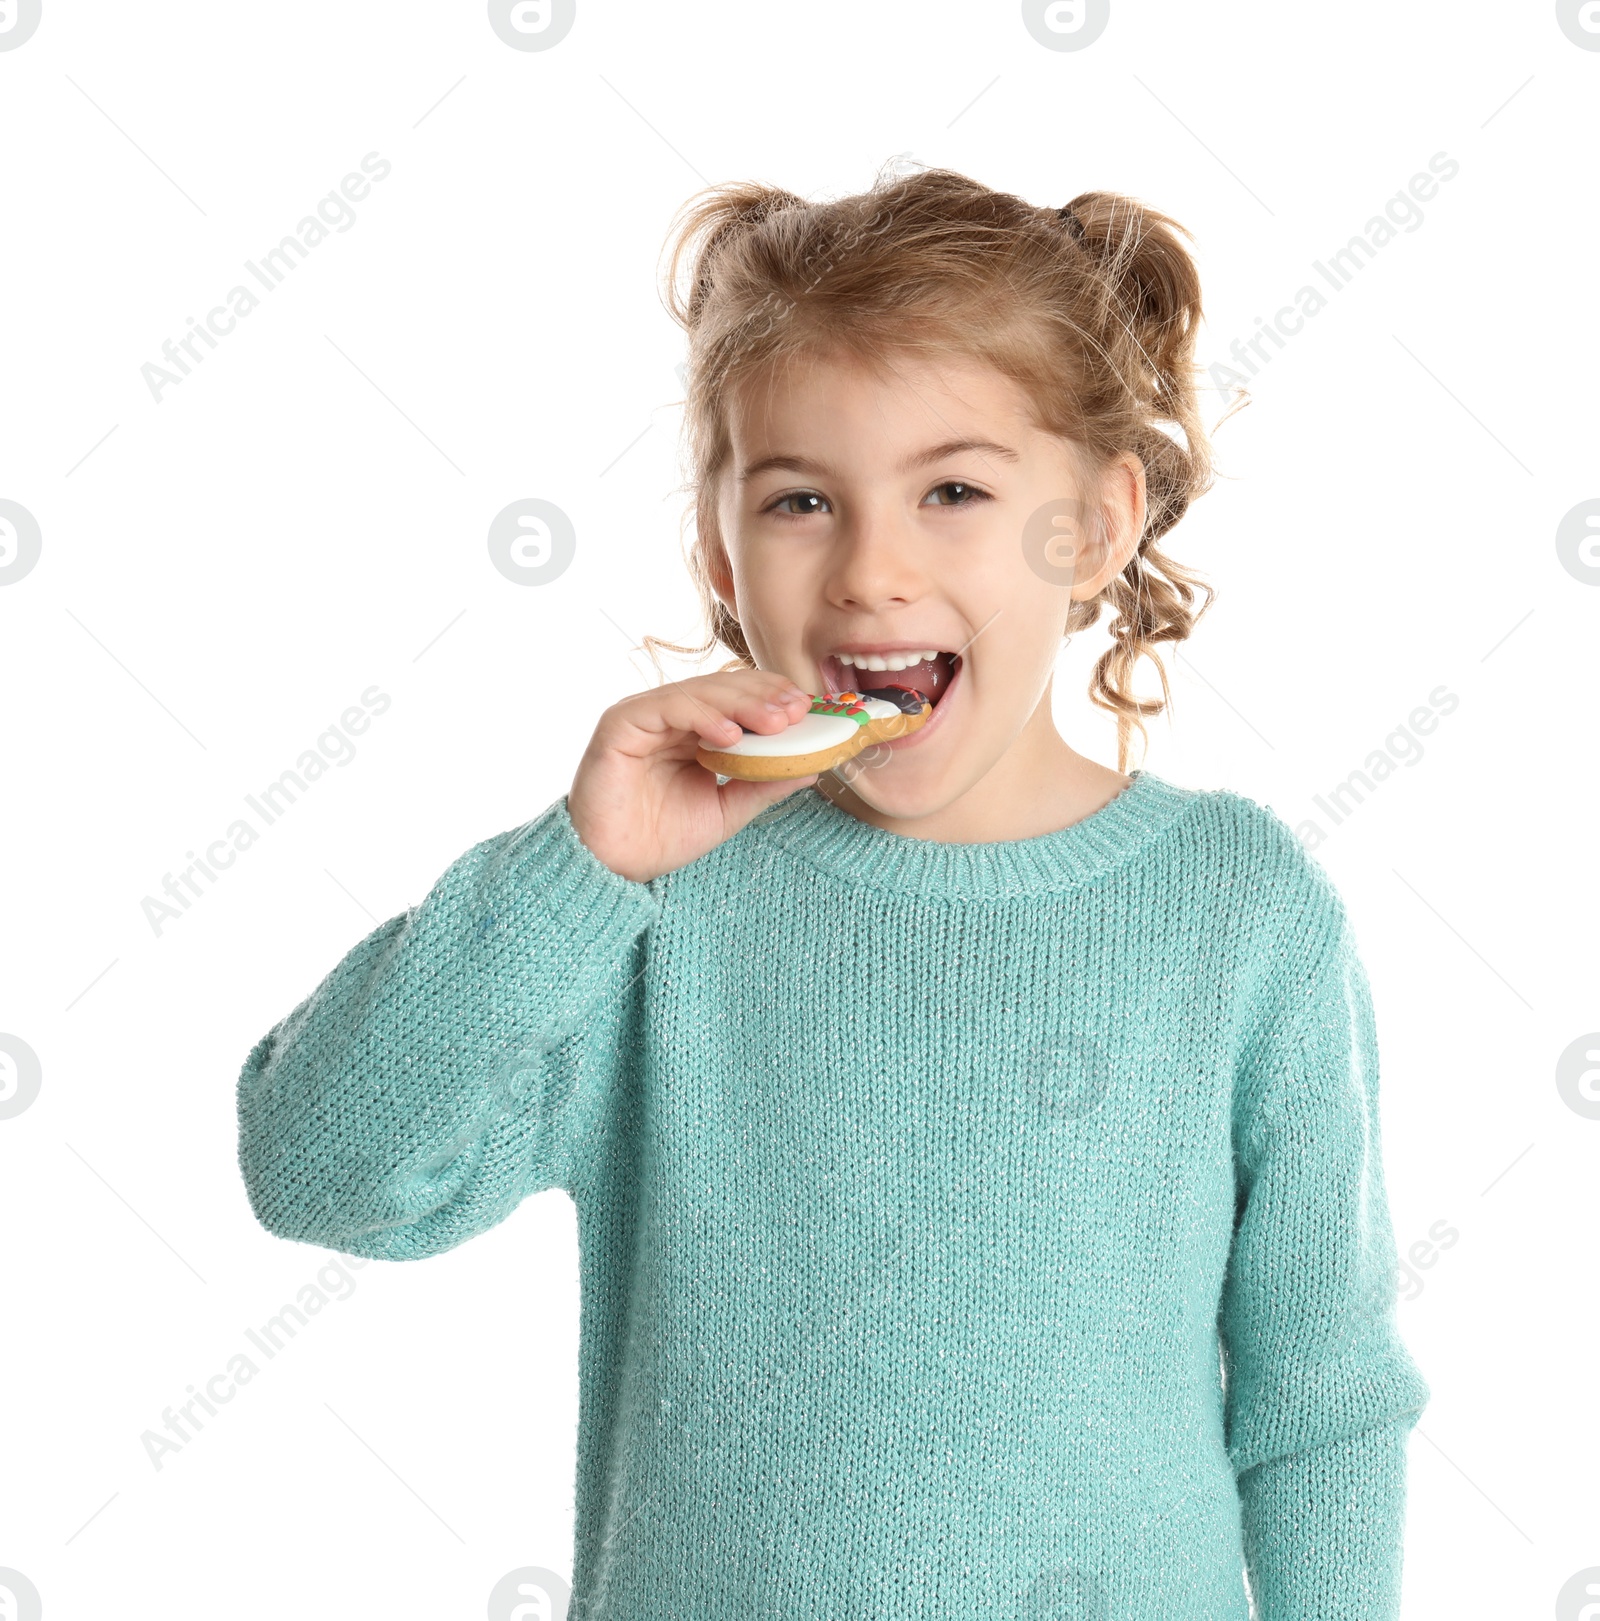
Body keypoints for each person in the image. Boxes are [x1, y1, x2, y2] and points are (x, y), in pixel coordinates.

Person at [236, 165, 1430, 1620]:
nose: (872, 569)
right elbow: (319, 1170)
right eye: (802, 498)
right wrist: (581, 864)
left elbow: (1321, 1405)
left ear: (1100, 524)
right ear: (716, 548)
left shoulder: (1241, 912)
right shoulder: (646, 904)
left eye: (954, 490)